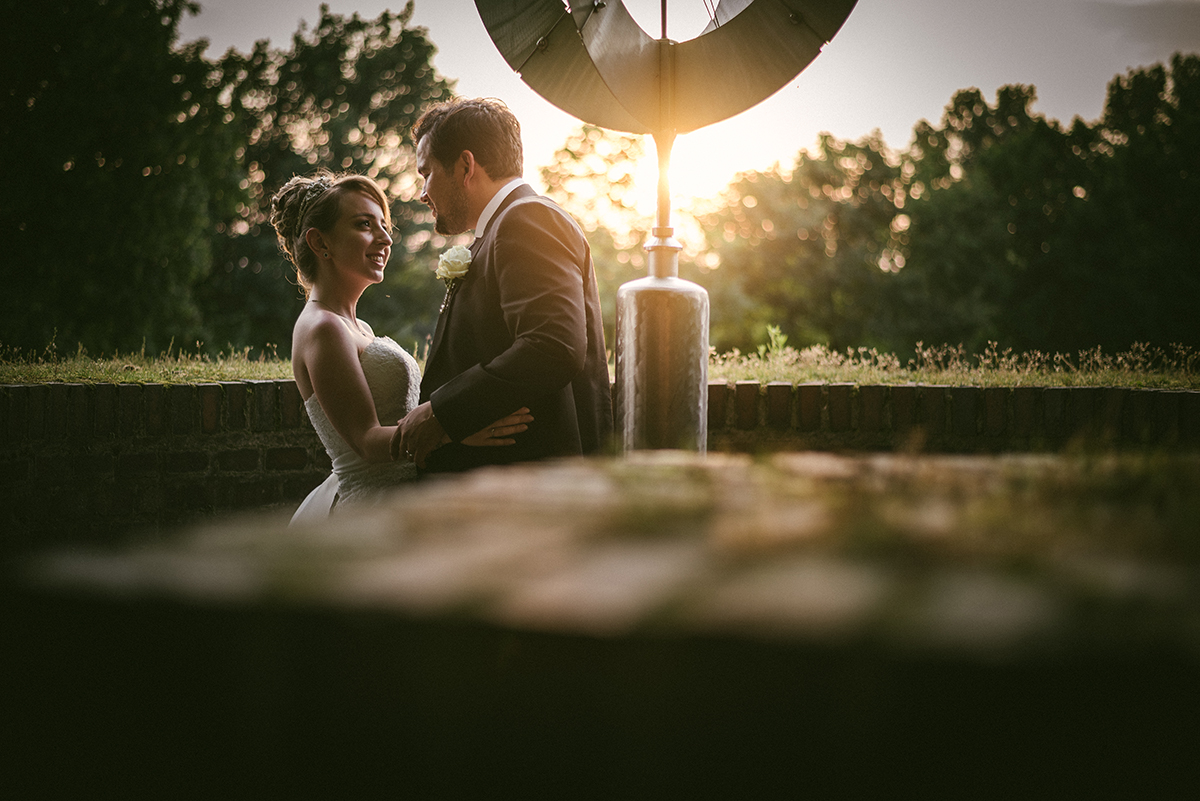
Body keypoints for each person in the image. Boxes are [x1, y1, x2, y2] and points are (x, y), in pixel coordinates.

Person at [269, 171, 532, 523]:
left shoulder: (355, 326)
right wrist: (453, 431)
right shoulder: (323, 328)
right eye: (365, 225)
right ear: (320, 243)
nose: (384, 239)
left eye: (384, 226)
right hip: (372, 509)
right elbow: (366, 439)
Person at [393, 98, 614, 472]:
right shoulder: (503, 227)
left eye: (426, 173)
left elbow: (553, 346)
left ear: (466, 166)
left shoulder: (527, 219)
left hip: (528, 483)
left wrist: (442, 414)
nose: (422, 192)